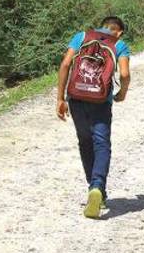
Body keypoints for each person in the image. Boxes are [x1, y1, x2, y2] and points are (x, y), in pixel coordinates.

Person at [56, 16, 132, 219]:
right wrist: (122, 93)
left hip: (76, 97)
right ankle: (97, 186)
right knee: (101, 143)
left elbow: (65, 64)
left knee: (85, 141)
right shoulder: (120, 44)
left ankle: (94, 188)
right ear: (119, 32)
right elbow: (124, 74)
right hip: (100, 101)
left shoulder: (81, 37)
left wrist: (60, 99)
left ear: (101, 25)